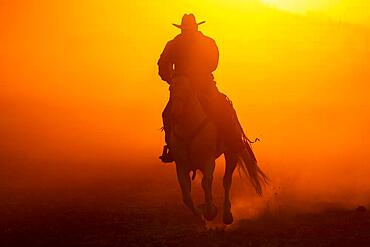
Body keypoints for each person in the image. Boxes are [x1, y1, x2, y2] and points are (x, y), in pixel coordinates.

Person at [158, 14, 245, 163]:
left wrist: (196, 74)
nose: (187, 32)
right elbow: (162, 65)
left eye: (189, 29)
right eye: (185, 30)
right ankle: (172, 147)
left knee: (222, 108)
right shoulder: (174, 44)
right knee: (167, 114)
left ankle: (232, 141)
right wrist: (173, 81)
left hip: (204, 85)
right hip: (183, 88)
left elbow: (213, 63)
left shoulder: (207, 43)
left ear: (195, 28)